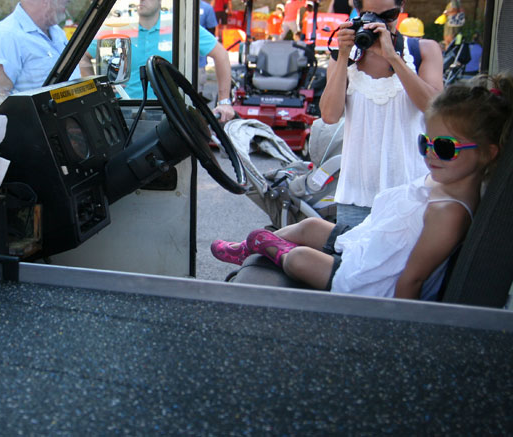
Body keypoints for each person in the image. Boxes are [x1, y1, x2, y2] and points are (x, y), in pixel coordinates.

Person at [211, 75, 511, 300]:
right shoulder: (448, 178)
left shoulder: (449, 213)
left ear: (488, 152)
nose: (431, 154)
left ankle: (269, 247)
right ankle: (249, 249)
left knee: (300, 259)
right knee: (311, 225)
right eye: (425, 142)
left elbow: (412, 280)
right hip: (373, 250)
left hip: (374, 281)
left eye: (445, 147)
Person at [320, 0, 444, 226]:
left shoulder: (424, 51)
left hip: (413, 193)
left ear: (403, 7)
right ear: (358, 13)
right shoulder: (346, 56)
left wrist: (394, 58)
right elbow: (330, 115)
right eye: (372, 17)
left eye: (389, 16)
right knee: (350, 266)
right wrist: (342, 57)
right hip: (356, 195)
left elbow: (436, 109)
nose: (383, 26)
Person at [79, 0, 235, 121]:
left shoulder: (179, 27)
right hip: (124, 114)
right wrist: (98, 92)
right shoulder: (119, 26)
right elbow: (82, 56)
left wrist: (224, 102)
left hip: (168, 115)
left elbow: (221, 55)